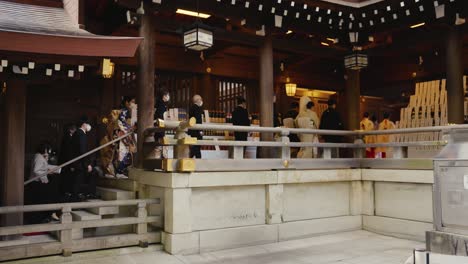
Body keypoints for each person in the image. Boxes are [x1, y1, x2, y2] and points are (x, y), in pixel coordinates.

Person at [27, 142, 61, 223]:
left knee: (41, 200)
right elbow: (36, 170)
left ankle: (47, 215)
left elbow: (41, 167)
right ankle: (47, 215)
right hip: (37, 182)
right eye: (47, 150)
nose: (47, 152)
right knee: (41, 200)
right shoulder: (38, 156)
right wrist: (47, 172)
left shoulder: (39, 156)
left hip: (37, 182)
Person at [71, 116, 97, 200]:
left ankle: (79, 196)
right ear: (84, 124)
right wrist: (87, 164)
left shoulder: (76, 133)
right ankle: (87, 194)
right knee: (78, 181)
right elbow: (82, 151)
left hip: (77, 162)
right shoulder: (81, 134)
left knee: (77, 181)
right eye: (88, 124)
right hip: (80, 163)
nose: (89, 126)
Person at [114, 96, 137, 178]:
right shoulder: (124, 111)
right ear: (127, 102)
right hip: (124, 133)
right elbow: (122, 123)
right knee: (125, 152)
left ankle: (121, 171)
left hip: (128, 133)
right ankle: (119, 171)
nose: (133, 104)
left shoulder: (130, 111)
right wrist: (129, 130)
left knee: (128, 152)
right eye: (132, 102)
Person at [58, 123, 76, 200]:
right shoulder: (68, 138)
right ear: (71, 130)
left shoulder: (67, 137)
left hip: (65, 161)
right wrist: (72, 164)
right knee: (66, 177)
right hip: (66, 161)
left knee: (66, 177)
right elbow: (68, 152)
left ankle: (65, 192)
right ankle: (65, 192)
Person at [154, 89, 170, 158]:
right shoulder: (161, 105)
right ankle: (158, 161)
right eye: (168, 95)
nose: (168, 97)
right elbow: (161, 116)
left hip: (158, 127)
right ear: (164, 96)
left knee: (160, 145)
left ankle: (159, 161)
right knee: (160, 146)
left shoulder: (159, 104)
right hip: (160, 127)